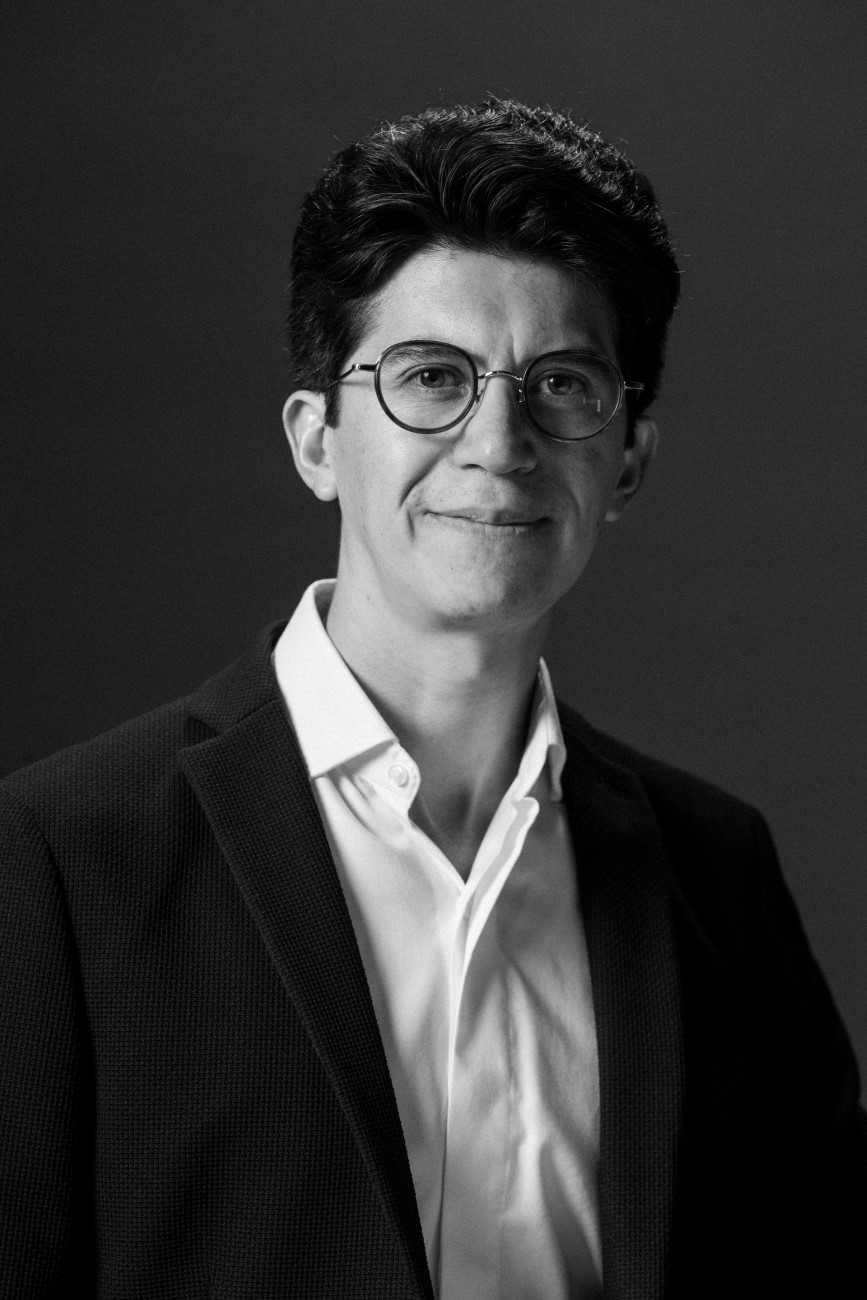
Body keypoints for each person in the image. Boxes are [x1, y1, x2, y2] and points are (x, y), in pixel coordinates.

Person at [1, 99, 865, 1300]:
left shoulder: (718, 875)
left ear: (628, 459)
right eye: (430, 377)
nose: (498, 442)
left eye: (562, 383)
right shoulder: (56, 859)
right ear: (316, 439)